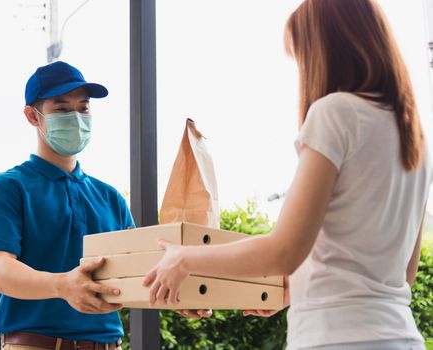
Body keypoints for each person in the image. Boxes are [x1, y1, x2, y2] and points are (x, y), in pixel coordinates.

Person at [143, 1, 433, 349]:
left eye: (301, 55)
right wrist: (295, 291)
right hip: (398, 336)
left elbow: (284, 250)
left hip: (336, 340)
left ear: (324, 50)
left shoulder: (336, 113)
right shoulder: (413, 137)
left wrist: (184, 257)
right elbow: (401, 272)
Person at [0, 61, 130, 350]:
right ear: (33, 116)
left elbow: (138, 271)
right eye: (61, 109)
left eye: (83, 108)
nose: (76, 117)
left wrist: (185, 296)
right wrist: (62, 285)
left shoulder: (110, 198)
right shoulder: (8, 188)